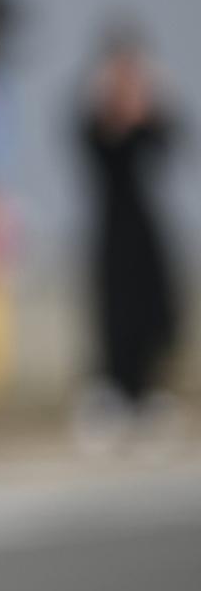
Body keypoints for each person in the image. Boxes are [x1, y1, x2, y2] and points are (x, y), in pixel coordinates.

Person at [73, 22, 185, 447]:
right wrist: (108, 105)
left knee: (155, 314)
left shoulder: (149, 114)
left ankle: (150, 395)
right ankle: (113, 397)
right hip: (110, 232)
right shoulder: (95, 115)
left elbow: (173, 141)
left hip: (146, 230)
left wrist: (151, 99)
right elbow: (83, 139)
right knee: (113, 317)